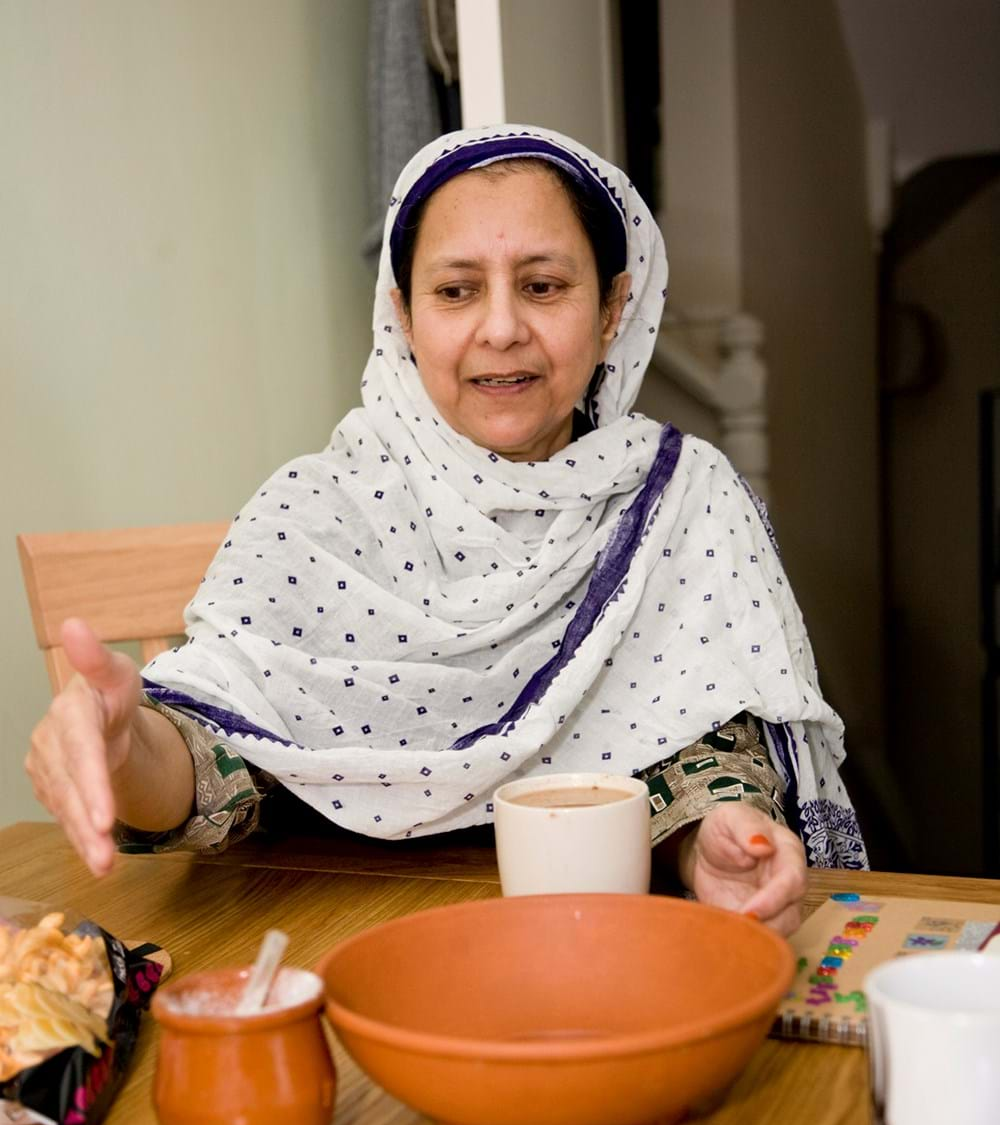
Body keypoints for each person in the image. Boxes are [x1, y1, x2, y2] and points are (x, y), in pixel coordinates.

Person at [25, 125, 867, 937]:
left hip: (595, 956)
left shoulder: (683, 498)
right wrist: (124, 746)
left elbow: (708, 747)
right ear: (405, 315)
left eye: (543, 286)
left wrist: (711, 845)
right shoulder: (312, 515)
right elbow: (212, 760)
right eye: (457, 290)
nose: (500, 328)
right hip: (339, 959)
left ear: (613, 306)